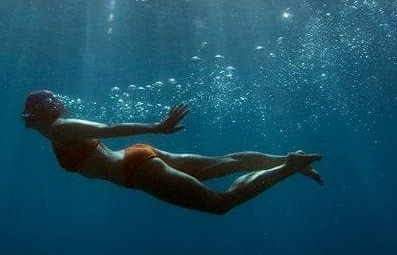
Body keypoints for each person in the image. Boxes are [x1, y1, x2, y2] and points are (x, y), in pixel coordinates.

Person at [21, 90, 322, 216]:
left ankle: (289, 167)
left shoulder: (60, 129)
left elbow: (110, 127)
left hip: (136, 170)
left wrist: (157, 126)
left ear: (40, 112)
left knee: (220, 204)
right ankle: (289, 158)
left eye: (29, 113)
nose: (25, 119)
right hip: (137, 159)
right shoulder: (56, 132)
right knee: (224, 164)